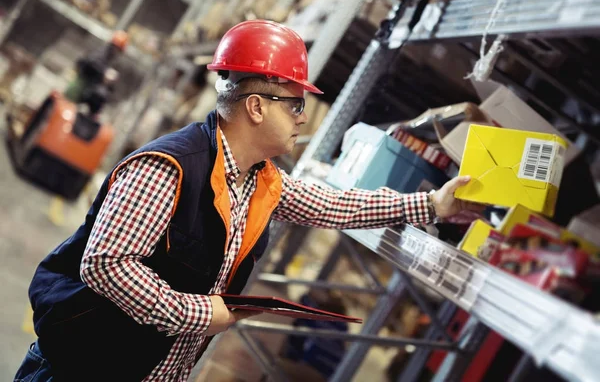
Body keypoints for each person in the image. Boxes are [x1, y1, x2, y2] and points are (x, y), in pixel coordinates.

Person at [14, 20, 482, 381]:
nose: (302, 117)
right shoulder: (169, 167)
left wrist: (430, 206)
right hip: (79, 369)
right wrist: (199, 314)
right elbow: (106, 264)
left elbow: (333, 205)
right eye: (294, 104)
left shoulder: (257, 180)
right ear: (256, 106)